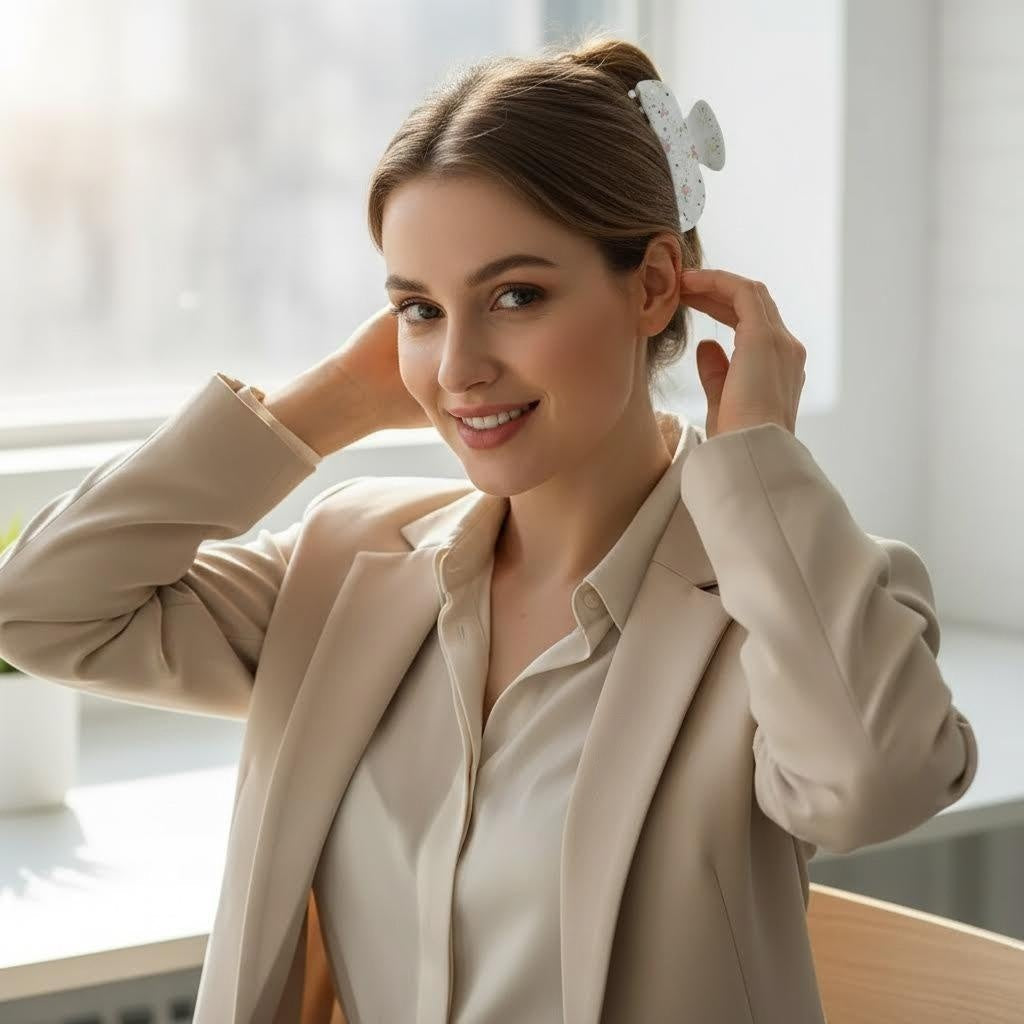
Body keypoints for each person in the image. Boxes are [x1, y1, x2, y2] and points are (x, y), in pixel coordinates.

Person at [0, 33, 977, 1024]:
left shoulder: (787, 601)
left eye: (514, 296)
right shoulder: (350, 565)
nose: (458, 365)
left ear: (650, 287)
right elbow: (40, 610)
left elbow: (873, 784)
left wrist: (758, 463)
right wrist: (328, 405)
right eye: (418, 309)